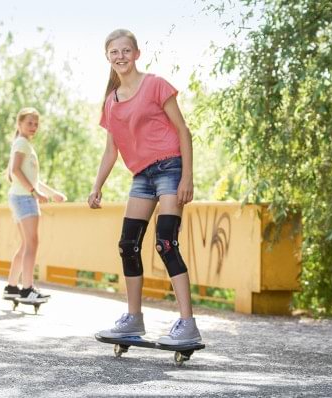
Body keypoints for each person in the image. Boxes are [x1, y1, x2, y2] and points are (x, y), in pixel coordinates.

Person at [88, 29, 201, 345]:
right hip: (142, 177)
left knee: (166, 243)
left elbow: (183, 131)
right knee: (127, 245)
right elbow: (111, 150)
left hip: (170, 168)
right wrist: (97, 186)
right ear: (108, 57)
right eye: (114, 52)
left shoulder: (155, 85)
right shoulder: (111, 102)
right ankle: (133, 320)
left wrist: (187, 177)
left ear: (136, 53)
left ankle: (187, 323)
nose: (120, 57)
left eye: (126, 51)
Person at [3, 107, 66, 304]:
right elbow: (15, 171)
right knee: (32, 244)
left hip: (19, 197)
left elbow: (31, 177)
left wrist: (50, 193)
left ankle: (12, 287)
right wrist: (35, 193)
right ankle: (27, 289)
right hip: (24, 198)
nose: (33, 127)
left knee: (25, 244)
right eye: (29, 123)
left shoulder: (22, 144)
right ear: (19, 124)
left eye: (36, 124)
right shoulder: (22, 143)